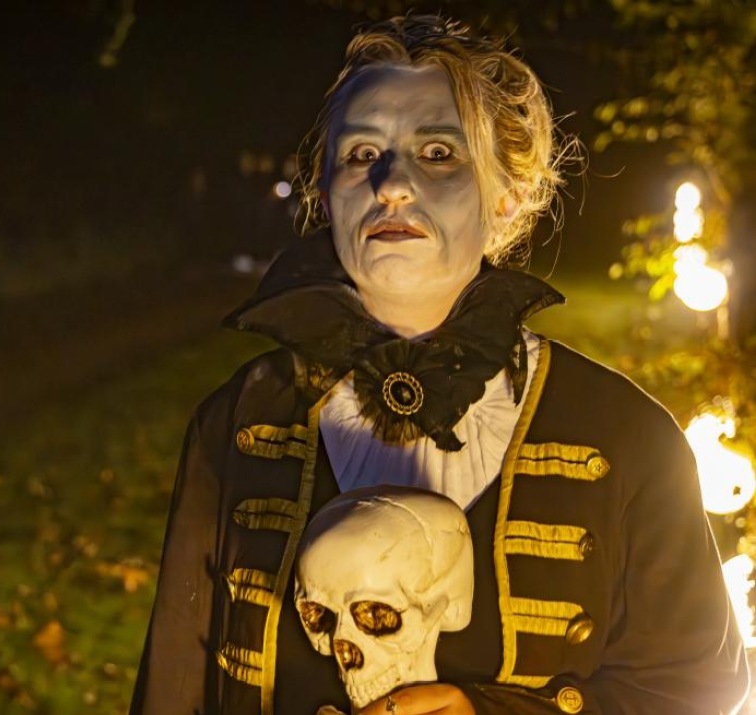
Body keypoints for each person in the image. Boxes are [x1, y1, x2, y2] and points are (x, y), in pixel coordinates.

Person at [130, 15, 749, 715]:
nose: (392, 184)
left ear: (505, 197)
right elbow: (175, 689)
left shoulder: (626, 436)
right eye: (362, 153)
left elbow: (694, 686)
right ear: (327, 192)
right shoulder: (240, 422)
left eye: (437, 152)